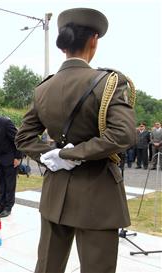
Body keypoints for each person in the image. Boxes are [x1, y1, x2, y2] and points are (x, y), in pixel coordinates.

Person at [15, 8, 136, 273]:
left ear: (63, 46)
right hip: (98, 194)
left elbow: (23, 137)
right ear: (94, 40)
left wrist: (53, 155)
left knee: (48, 266)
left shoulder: (43, 88)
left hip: (55, 191)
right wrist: (66, 155)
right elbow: (123, 134)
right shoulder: (109, 82)